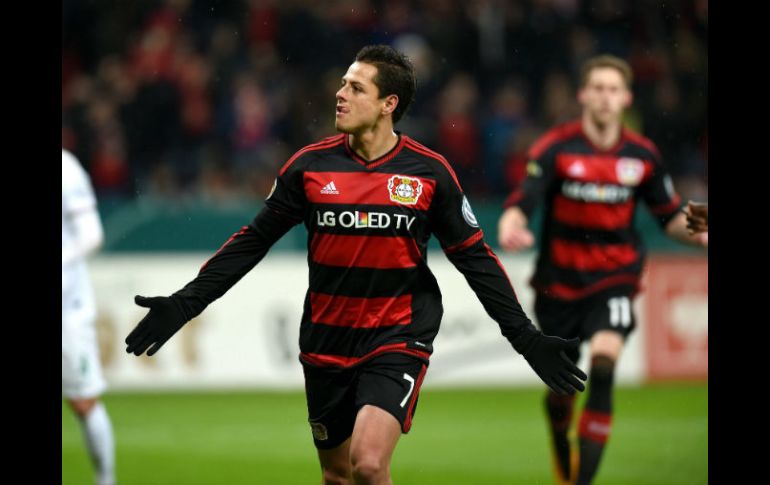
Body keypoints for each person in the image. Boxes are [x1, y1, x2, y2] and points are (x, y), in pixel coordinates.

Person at [125, 44, 587, 485]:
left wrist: (524, 338)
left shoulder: (428, 173)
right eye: (343, 84)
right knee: (336, 474)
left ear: (389, 103)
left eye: (355, 88)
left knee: (367, 464)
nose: (340, 95)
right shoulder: (309, 167)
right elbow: (252, 242)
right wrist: (185, 305)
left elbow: (476, 261)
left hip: (397, 334)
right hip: (326, 338)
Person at [497, 54, 708, 485]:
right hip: (558, 286)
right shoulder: (555, 148)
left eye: (614, 90)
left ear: (626, 97)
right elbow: (524, 200)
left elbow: (669, 216)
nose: (606, 98)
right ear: (583, 95)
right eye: (598, 88)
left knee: (605, 368)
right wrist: (510, 224)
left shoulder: (642, 155)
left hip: (615, 280)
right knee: (564, 388)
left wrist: (699, 230)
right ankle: (559, 432)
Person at [62, 148, 116, 485]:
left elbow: (91, 235)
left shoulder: (65, 168)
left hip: (67, 305)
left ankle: (105, 479)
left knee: (83, 401)